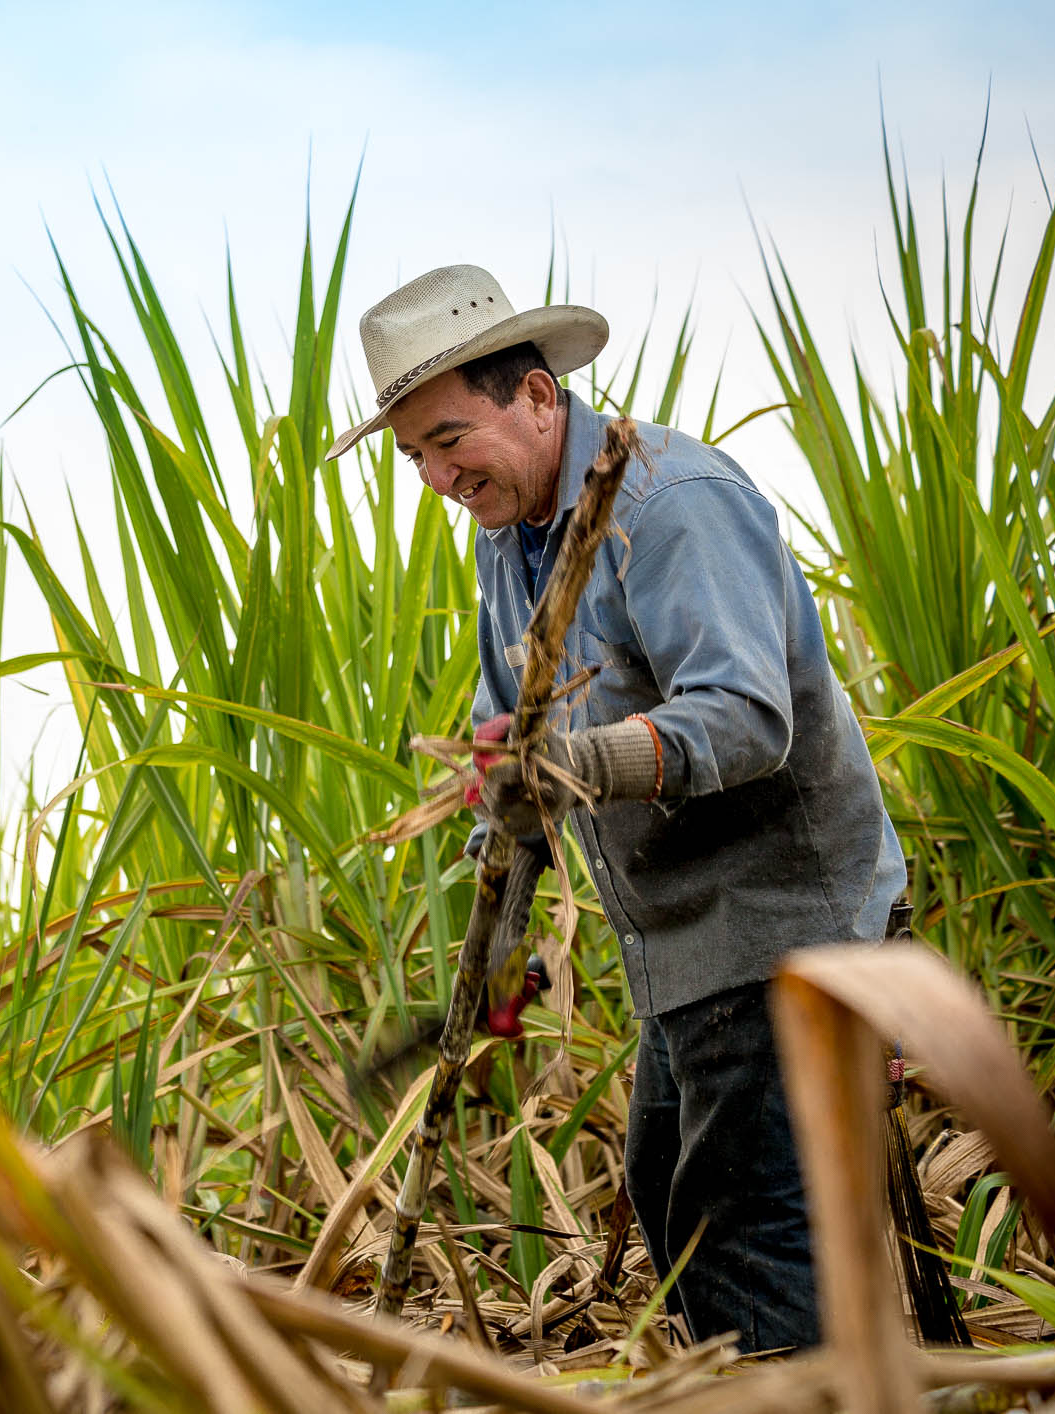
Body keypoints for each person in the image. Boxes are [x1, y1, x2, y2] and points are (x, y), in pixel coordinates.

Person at [326, 265, 908, 1355]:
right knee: (667, 1193)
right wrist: (497, 956)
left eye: (450, 439)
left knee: (742, 1232)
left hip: (786, 936)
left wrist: (565, 762)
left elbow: (744, 717)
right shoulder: (513, 546)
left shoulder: (669, 506)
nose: (437, 477)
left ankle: (797, 1387)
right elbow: (513, 764)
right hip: (690, 961)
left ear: (539, 397)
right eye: (414, 457)